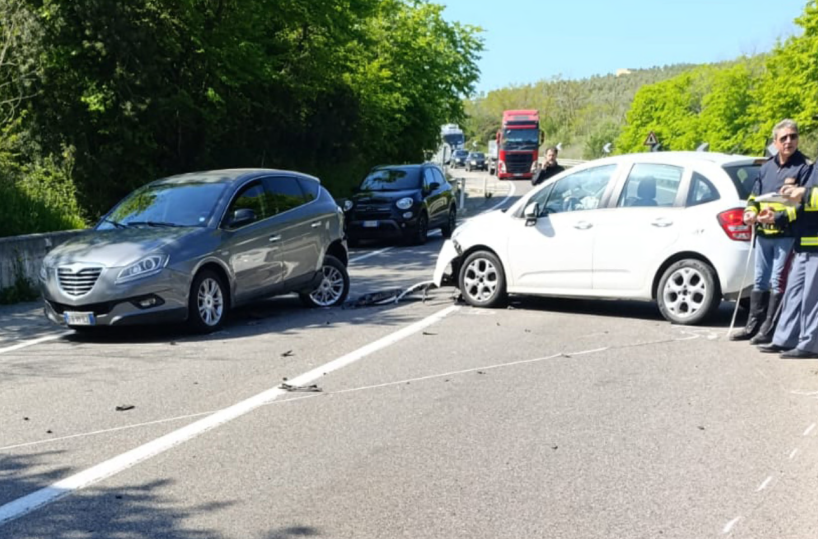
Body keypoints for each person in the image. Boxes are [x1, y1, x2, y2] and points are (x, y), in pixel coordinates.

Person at [730, 119, 811, 344]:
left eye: (793, 136)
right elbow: (754, 197)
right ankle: (753, 325)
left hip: (786, 235)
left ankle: (770, 329)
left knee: (778, 281)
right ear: (775, 142)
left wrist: (778, 217)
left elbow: (803, 206)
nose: (789, 141)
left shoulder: (804, 167)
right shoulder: (766, 167)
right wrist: (749, 213)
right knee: (759, 281)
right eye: (783, 138)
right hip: (764, 234)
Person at [758, 162, 818, 359]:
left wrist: (804, 193)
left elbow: (808, 197)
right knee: (793, 294)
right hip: (804, 243)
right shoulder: (814, 166)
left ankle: (810, 345)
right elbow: (801, 206)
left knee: (812, 298)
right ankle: (785, 339)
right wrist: (777, 217)